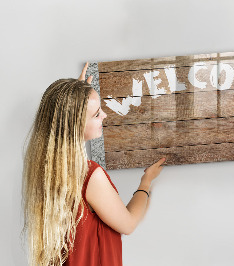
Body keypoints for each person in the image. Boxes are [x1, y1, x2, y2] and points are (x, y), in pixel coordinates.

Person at [22, 63, 165, 266]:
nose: (104, 116)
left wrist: (75, 97)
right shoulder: (89, 176)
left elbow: (63, 118)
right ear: (75, 124)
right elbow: (129, 223)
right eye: (97, 114)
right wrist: (146, 182)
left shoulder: (44, 168)